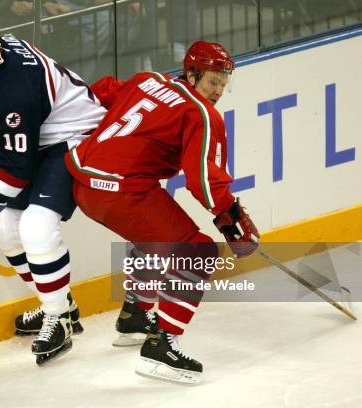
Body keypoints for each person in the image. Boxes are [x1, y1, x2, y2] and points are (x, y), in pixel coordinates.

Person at [64, 41, 259, 382]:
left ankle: (136, 316)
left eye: (223, 84)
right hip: (121, 193)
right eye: (212, 81)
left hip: (82, 182)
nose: (218, 91)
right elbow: (203, 180)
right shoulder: (201, 114)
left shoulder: (147, 80)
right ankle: (162, 346)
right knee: (197, 251)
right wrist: (232, 219)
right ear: (192, 73)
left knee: (157, 235)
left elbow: (100, 92)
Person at [0, 15, 106, 365]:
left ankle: (58, 319)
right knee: (5, 228)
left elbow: (16, 170)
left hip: (73, 137)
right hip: (38, 138)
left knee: (35, 227)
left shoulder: (15, 88)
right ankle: (59, 304)